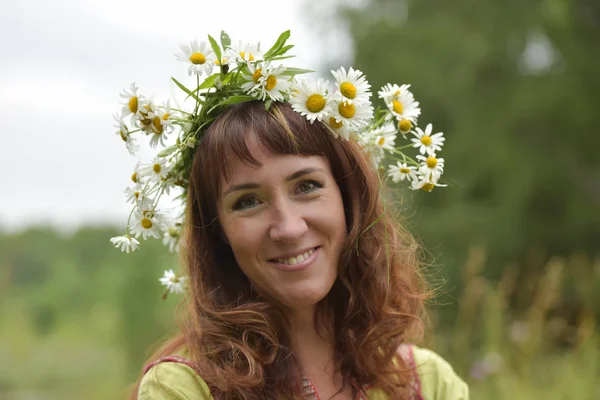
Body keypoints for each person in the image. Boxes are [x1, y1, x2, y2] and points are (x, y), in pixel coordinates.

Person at [111, 31, 467, 400]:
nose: (288, 227)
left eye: (306, 186)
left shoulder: (426, 383)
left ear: (348, 200)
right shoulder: (184, 389)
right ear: (219, 232)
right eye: (248, 202)